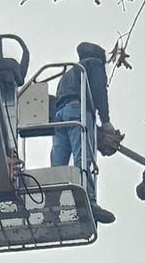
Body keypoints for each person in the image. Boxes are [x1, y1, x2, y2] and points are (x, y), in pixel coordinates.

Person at [49, 41, 124, 222]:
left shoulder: (69, 73)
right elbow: (99, 93)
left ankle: (51, 204)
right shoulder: (93, 64)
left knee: (58, 162)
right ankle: (88, 201)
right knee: (84, 156)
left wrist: (96, 132)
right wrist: (105, 122)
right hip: (79, 111)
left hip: (60, 115)